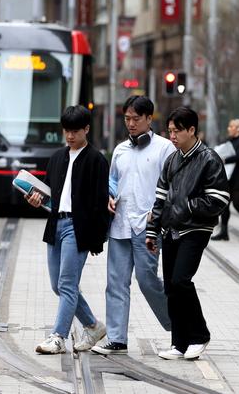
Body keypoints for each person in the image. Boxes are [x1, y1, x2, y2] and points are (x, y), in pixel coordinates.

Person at [91, 96, 174, 356]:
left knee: (147, 280)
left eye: (136, 119)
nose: (131, 123)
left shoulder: (164, 149)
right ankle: (117, 338)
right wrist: (108, 196)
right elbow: (112, 181)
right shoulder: (119, 151)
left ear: (150, 118)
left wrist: (157, 215)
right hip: (120, 225)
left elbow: (172, 186)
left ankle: (177, 324)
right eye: (127, 118)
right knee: (115, 283)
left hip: (147, 226)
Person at [145, 107, 229, 361]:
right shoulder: (172, 160)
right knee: (170, 285)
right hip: (171, 229)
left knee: (181, 280)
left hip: (195, 229)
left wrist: (188, 207)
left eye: (177, 131)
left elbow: (220, 198)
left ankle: (199, 335)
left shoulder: (209, 159)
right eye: (169, 131)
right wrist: (152, 231)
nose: (172, 136)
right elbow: (160, 198)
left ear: (191, 130)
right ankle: (179, 343)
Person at [26, 105, 109, 354]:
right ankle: (93, 326)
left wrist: (96, 240)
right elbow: (50, 193)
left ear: (86, 129)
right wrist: (36, 199)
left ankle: (58, 337)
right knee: (58, 285)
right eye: (66, 131)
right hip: (56, 225)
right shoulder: (57, 157)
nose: (70, 136)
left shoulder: (96, 160)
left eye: (75, 131)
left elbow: (99, 203)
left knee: (67, 284)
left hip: (78, 228)